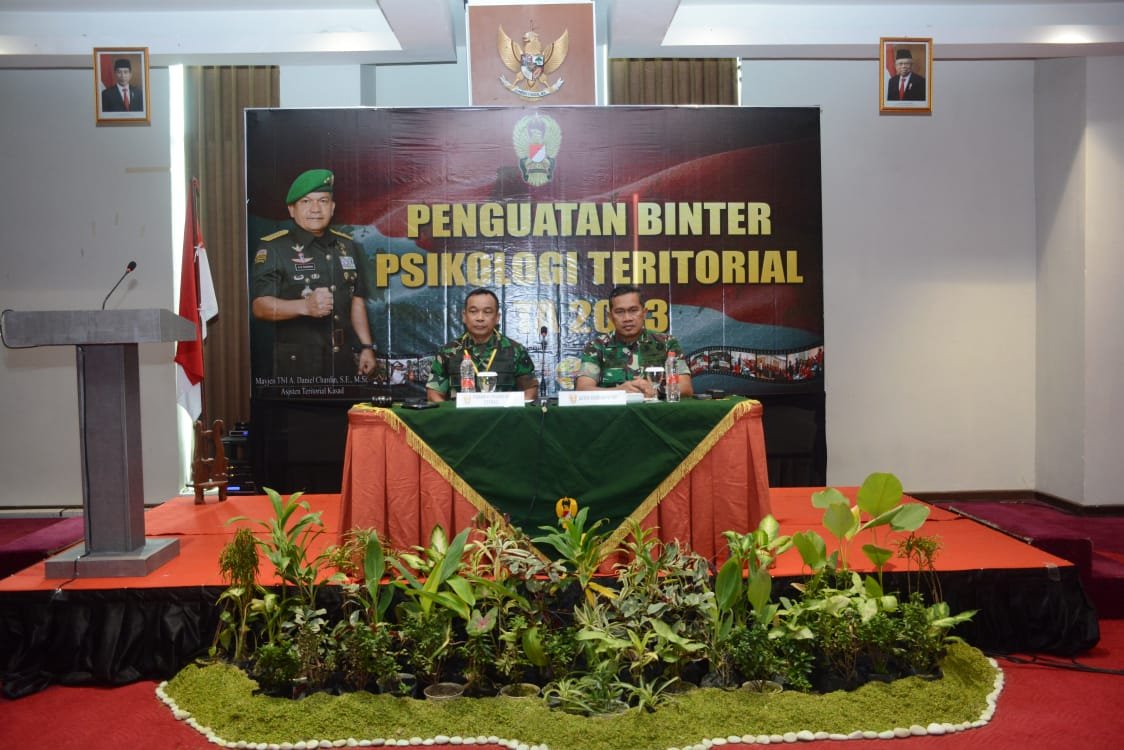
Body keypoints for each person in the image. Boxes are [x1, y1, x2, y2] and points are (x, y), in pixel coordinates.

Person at [251, 168, 376, 378]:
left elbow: (356, 299)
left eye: (323, 201)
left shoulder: (346, 245)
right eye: (306, 201)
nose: (316, 209)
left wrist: (366, 346)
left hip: (343, 360)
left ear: (332, 207)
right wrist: (305, 306)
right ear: (292, 209)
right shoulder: (274, 248)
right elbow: (260, 307)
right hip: (299, 365)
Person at [575, 285, 694, 399]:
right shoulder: (597, 346)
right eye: (620, 312)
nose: (627, 318)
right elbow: (582, 389)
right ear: (610, 317)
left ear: (644, 313)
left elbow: (686, 387)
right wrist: (619, 391)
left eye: (633, 310)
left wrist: (655, 391)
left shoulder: (666, 343)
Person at [426, 287, 538, 402]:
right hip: (460, 413)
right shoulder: (448, 352)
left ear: (497, 318)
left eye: (487, 312)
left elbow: (530, 391)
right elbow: (434, 393)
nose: (480, 318)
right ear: (464, 316)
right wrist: (451, 413)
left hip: (503, 413)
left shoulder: (515, 350)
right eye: (473, 311)